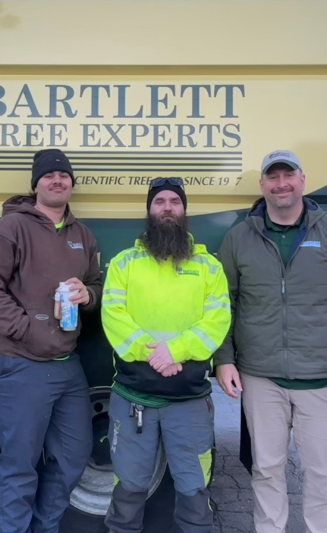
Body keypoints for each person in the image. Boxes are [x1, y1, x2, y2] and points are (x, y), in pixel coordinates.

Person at [215, 150, 327, 533]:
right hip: (261, 378)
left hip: (324, 380)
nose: (281, 184)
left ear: (303, 180)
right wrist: (223, 358)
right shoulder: (240, 238)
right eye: (272, 177)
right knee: (266, 470)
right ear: (262, 186)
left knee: (324, 477)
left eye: (288, 175)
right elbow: (222, 303)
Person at [0, 148, 102, 533]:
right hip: (18, 361)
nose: (57, 180)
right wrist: (28, 329)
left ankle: (44, 527)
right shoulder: (11, 228)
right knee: (20, 462)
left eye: (63, 175)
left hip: (66, 364)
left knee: (75, 455)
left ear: (72, 184)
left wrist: (88, 295)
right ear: (36, 184)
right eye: (49, 176)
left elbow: (96, 284)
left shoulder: (83, 234)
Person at [101, 178, 230, 533]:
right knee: (128, 489)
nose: (168, 207)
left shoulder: (208, 267)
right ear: (149, 210)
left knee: (193, 493)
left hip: (188, 401)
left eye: (175, 201)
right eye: (160, 201)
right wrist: (154, 353)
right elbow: (113, 316)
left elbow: (217, 320)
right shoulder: (125, 263)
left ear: (185, 210)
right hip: (133, 399)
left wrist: (175, 350)